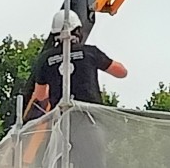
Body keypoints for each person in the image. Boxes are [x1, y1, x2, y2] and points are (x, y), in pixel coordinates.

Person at [30, 10, 127, 168]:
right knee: (94, 164)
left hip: (62, 124)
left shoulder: (45, 59)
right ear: (78, 30)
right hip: (89, 121)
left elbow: (40, 96)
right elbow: (121, 72)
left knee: (60, 162)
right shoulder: (90, 52)